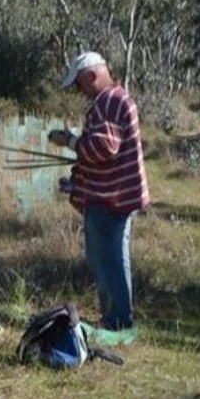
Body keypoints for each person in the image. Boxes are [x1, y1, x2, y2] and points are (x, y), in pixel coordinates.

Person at [49, 51, 150, 344]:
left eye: (80, 84)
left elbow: (103, 148)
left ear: (92, 76)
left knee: (110, 260)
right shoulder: (112, 100)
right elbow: (104, 160)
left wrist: (68, 140)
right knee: (106, 258)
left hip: (112, 201)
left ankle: (119, 324)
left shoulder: (110, 102)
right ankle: (115, 319)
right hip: (109, 195)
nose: (80, 92)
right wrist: (77, 184)